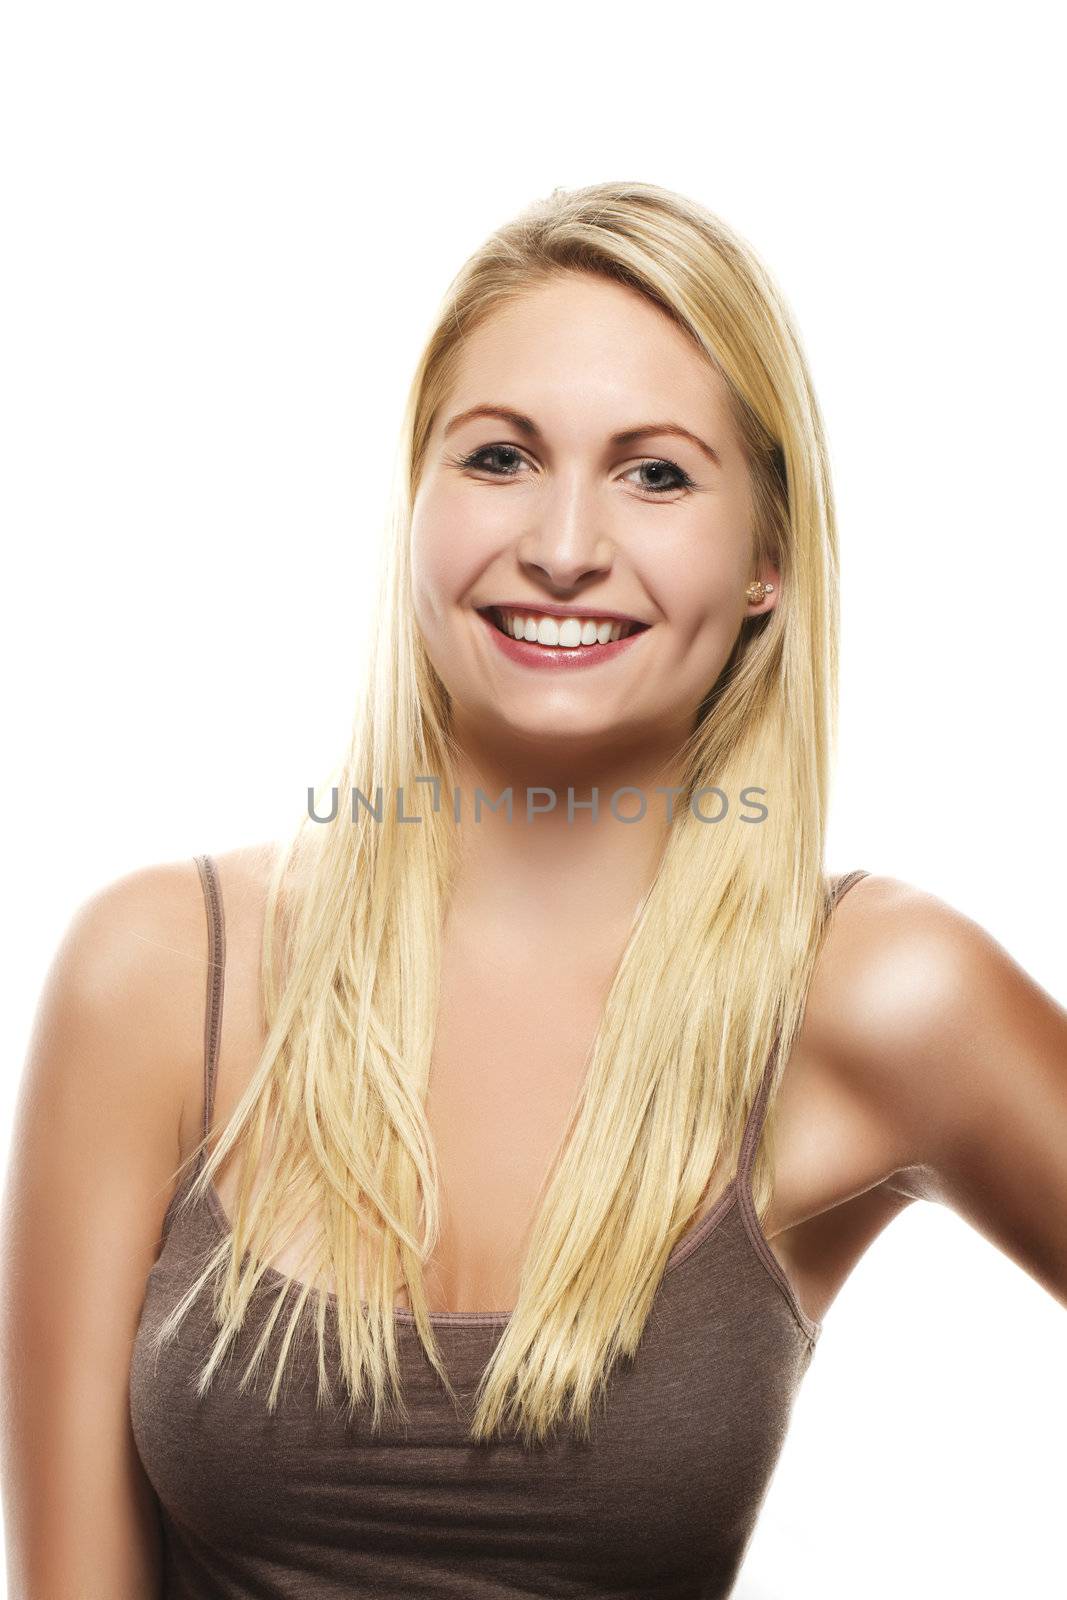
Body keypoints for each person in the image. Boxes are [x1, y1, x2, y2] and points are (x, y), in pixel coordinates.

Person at [2, 179, 1064, 1598]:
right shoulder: (158, 972)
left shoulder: (875, 996)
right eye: (500, 458)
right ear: (417, 503)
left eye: (658, 474)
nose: (564, 544)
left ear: (768, 561)